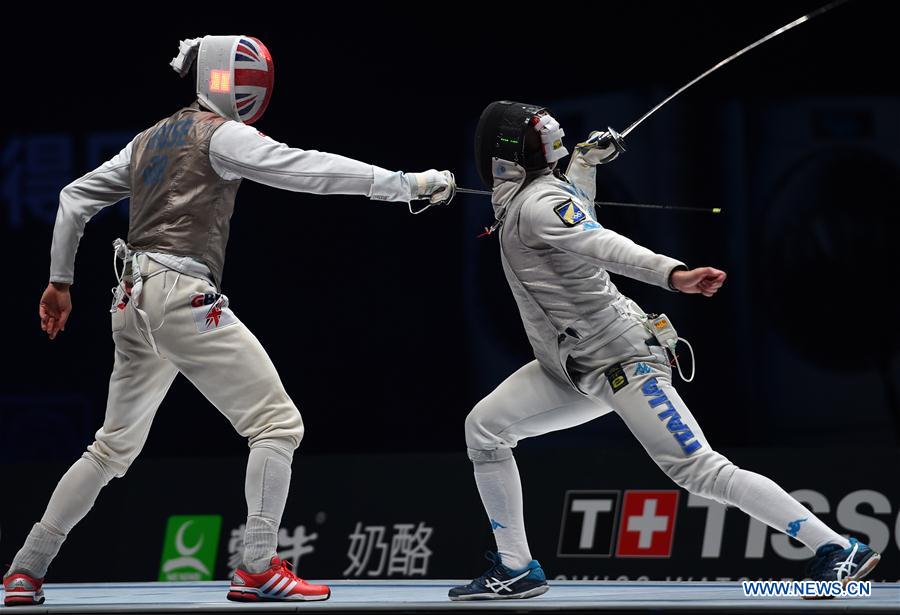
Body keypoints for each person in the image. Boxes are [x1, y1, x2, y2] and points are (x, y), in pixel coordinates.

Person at [2, 35, 455, 607]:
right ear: (223, 79)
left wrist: (60, 282)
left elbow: (72, 198)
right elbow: (305, 169)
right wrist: (407, 185)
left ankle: (25, 570)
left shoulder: (146, 141)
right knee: (277, 424)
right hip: (178, 294)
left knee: (111, 449)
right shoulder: (222, 134)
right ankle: (259, 567)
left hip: (129, 300)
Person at [448, 100, 879, 601]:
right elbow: (574, 213)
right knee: (484, 430)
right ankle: (516, 568)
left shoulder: (539, 203)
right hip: (570, 367)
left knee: (699, 470)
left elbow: (599, 241)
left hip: (622, 359)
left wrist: (671, 274)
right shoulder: (534, 196)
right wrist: (585, 164)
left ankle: (837, 549)